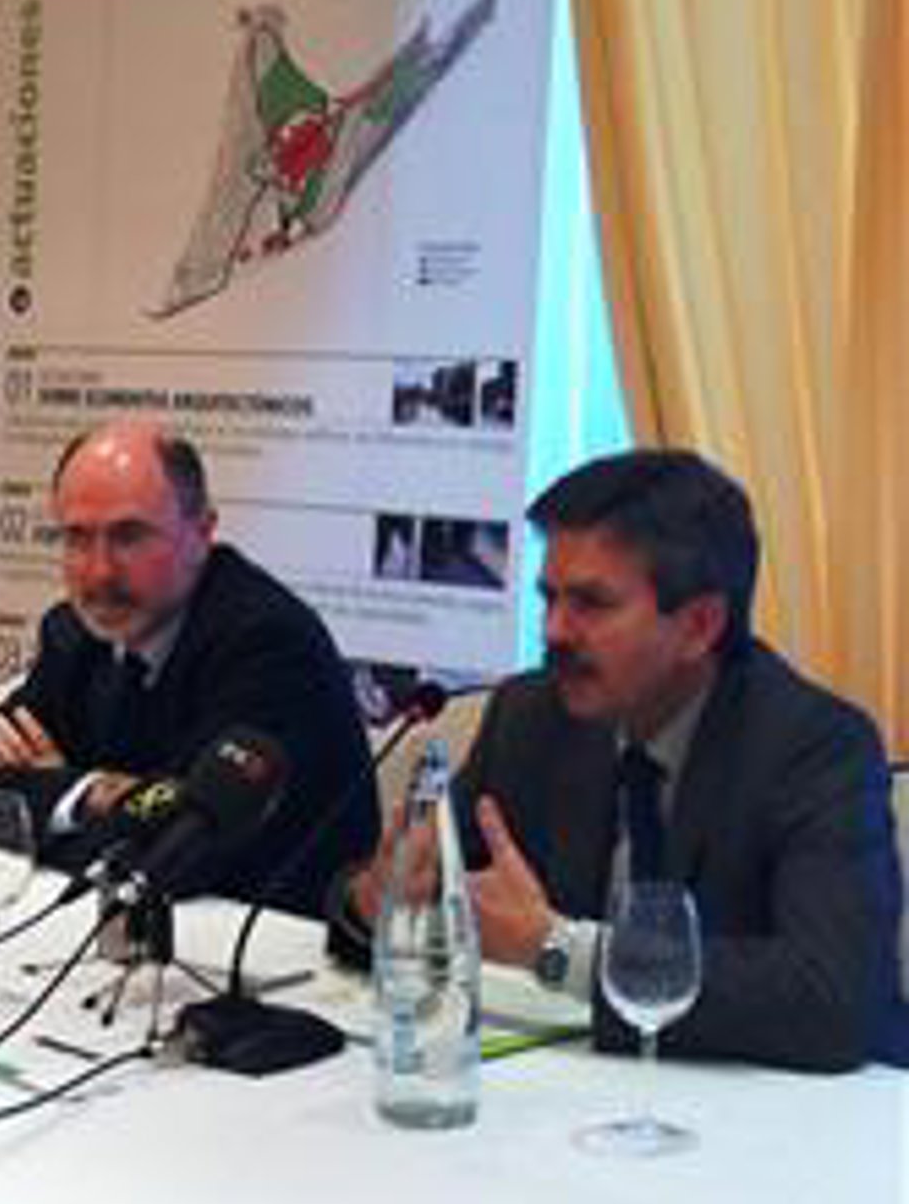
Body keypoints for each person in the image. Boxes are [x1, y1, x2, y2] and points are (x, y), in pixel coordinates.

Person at [335, 449, 906, 1071]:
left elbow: (832, 997)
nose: (554, 630)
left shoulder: (815, 748)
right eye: (549, 598)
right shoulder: (531, 717)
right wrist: (379, 900)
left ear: (700, 625)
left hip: (781, 1107)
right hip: (579, 1083)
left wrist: (560, 951)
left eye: (591, 603)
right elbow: (423, 893)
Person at [0, 420, 377, 916]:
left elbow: (173, 858)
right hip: (130, 927)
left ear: (202, 533)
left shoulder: (268, 644)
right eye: (76, 537)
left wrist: (48, 802)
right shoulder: (75, 633)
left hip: (270, 939)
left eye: (129, 536)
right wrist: (90, 792)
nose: (99, 572)